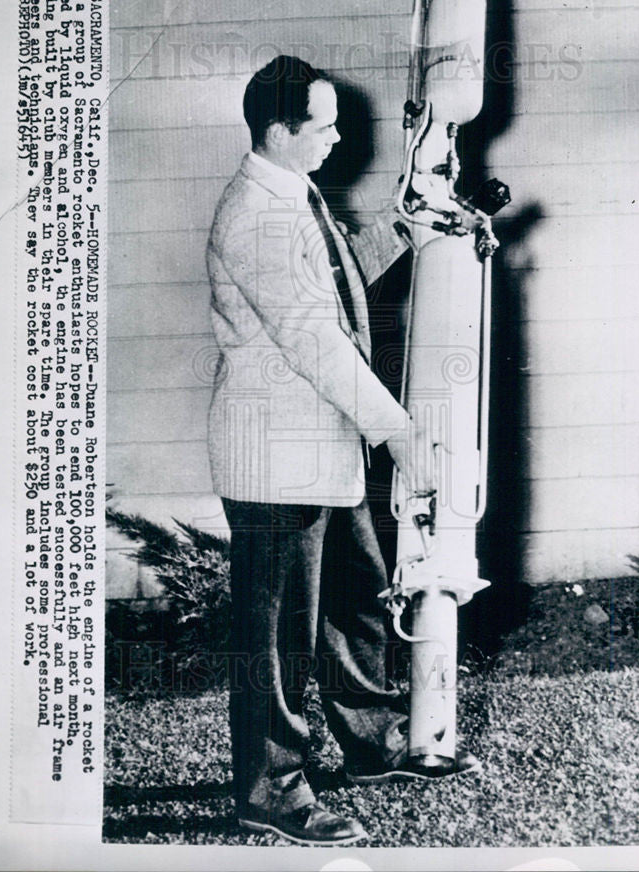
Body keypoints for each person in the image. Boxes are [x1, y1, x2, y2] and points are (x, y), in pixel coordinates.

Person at [206, 55, 476, 846]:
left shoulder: (292, 192)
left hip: (320, 448)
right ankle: (271, 790)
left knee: (355, 596)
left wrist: (413, 228)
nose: (337, 136)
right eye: (323, 125)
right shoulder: (255, 213)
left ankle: (371, 745)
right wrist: (398, 430)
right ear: (279, 130)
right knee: (282, 633)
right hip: (275, 458)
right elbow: (313, 338)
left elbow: (335, 277)